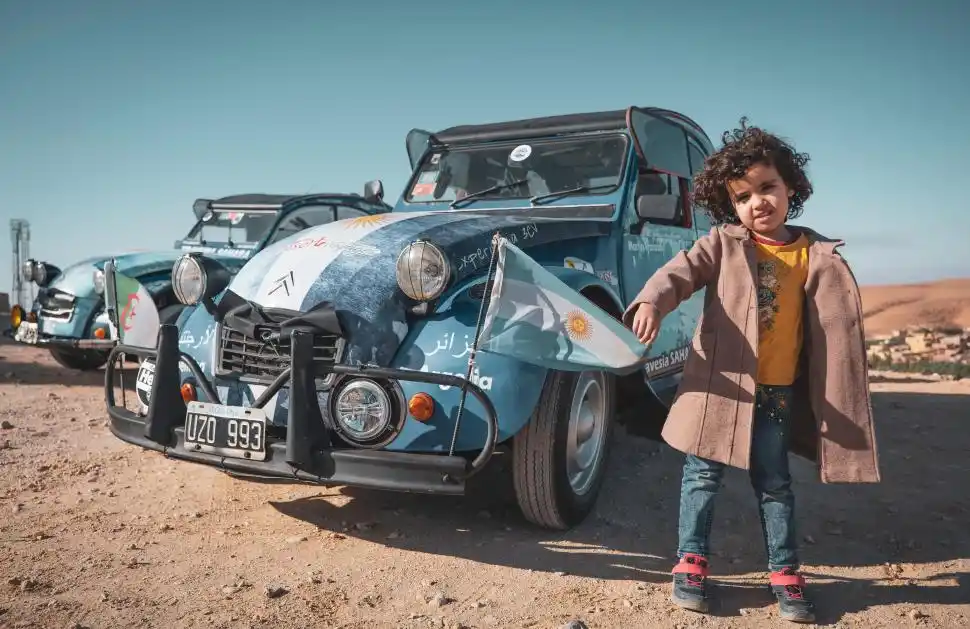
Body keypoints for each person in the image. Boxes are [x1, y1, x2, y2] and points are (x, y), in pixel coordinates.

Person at [623, 118, 880, 623]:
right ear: (730, 206)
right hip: (721, 389)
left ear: (791, 188)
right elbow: (679, 272)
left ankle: (785, 571)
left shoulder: (815, 253)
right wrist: (651, 301)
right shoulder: (722, 244)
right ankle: (691, 562)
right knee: (701, 475)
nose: (757, 202)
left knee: (775, 482)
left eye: (768, 188)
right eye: (743, 197)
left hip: (778, 391)